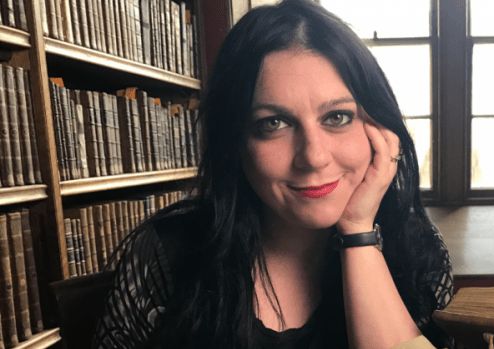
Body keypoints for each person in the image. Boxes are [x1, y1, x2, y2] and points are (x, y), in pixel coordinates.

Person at [93, 0, 453, 348]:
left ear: (379, 130)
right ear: (235, 141)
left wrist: (358, 233)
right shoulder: (169, 253)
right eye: (274, 123)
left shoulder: (416, 250)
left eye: (337, 117)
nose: (313, 156)